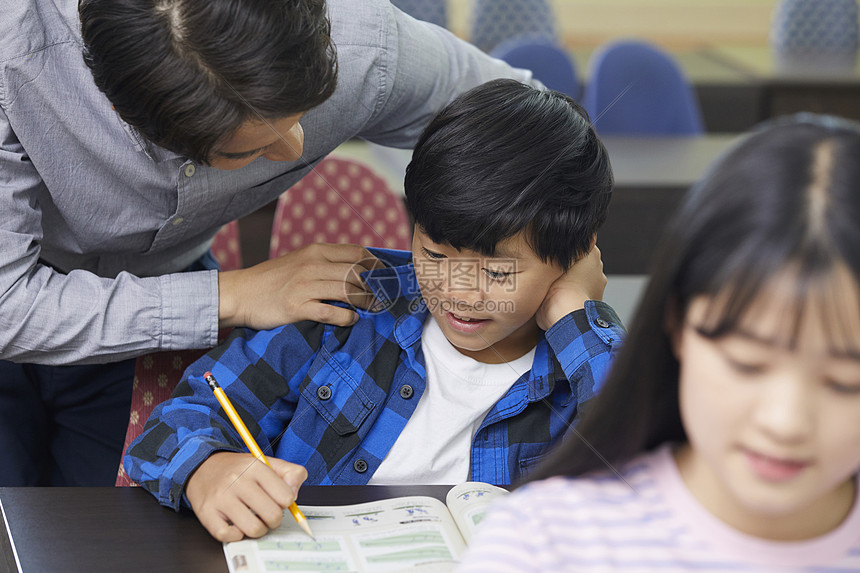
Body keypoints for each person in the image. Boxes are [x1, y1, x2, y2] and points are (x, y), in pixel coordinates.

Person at [0, 0, 536, 486]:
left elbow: (536, 128)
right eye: (242, 153)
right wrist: (229, 296)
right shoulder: (13, 60)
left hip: (150, 325)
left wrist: (560, 268)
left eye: (304, 112)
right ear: (122, 113)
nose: (296, 148)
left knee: (114, 533)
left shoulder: (365, 44)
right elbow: (8, 306)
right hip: (27, 300)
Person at [124, 79, 623, 541]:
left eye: (497, 273)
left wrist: (576, 315)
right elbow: (177, 420)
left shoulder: (582, 356)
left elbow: (665, 484)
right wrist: (206, 469)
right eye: (434, 255)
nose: (458, 292)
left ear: (576, 254)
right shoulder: (347, 302)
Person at [456, 114, 860, 572]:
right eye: (747, 364)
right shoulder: (544, 543)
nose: (785, 423)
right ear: (676, 326)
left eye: (846, 382)